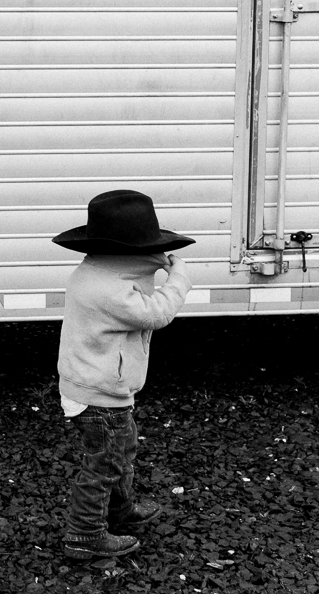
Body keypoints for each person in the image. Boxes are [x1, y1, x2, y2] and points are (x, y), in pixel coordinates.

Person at [53, 189, 195, 562]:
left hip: (100, 387)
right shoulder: (109, 290)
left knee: (121, 450)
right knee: (104, 464)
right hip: (98, 393)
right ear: (129, 252)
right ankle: (84, 534)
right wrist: (177, 275)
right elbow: (157, 313)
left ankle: (119, 511)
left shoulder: (96, 271)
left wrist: (155, 262)